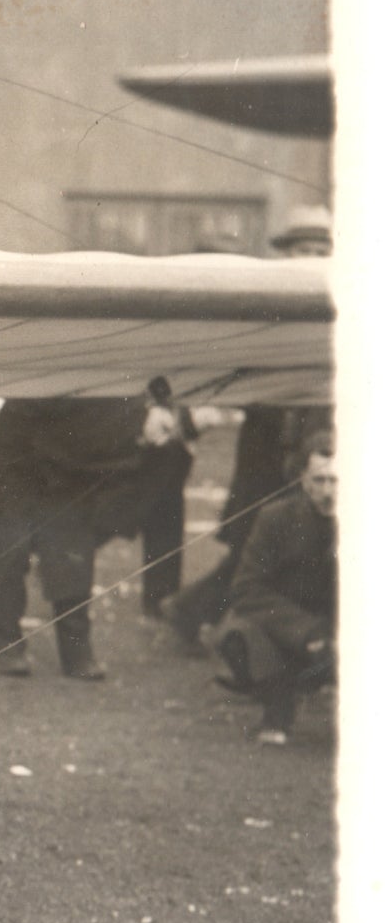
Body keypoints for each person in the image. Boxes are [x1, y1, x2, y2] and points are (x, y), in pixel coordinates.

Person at [164, 209, 334, 649]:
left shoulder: (336, 302)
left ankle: (196, 614)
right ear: (287, 256)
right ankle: (208, 621)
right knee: (258, 544)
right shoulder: (267, 303)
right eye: (304, 251)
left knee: (275, 547)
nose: (312, 260)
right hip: (267, 446)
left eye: (321, 251)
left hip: (312, 444)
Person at [0, 391, 193, 680]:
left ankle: (77, 652)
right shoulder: (51, 386)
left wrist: (143, 416)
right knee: (7, 559)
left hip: (65, 475)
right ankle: (6, 647)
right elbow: (62, 407)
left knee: (73, 557)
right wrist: (137, 419)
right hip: (6, 474)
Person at [213, 432, 335, 745]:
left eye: (336, 481)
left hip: (345, 634)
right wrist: (306, 632)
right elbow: (247, 587)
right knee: (237, 634)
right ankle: (277, 709)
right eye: (319, 480)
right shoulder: (275, 518)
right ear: (302, 479)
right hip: (289, 631)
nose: (328, 492)